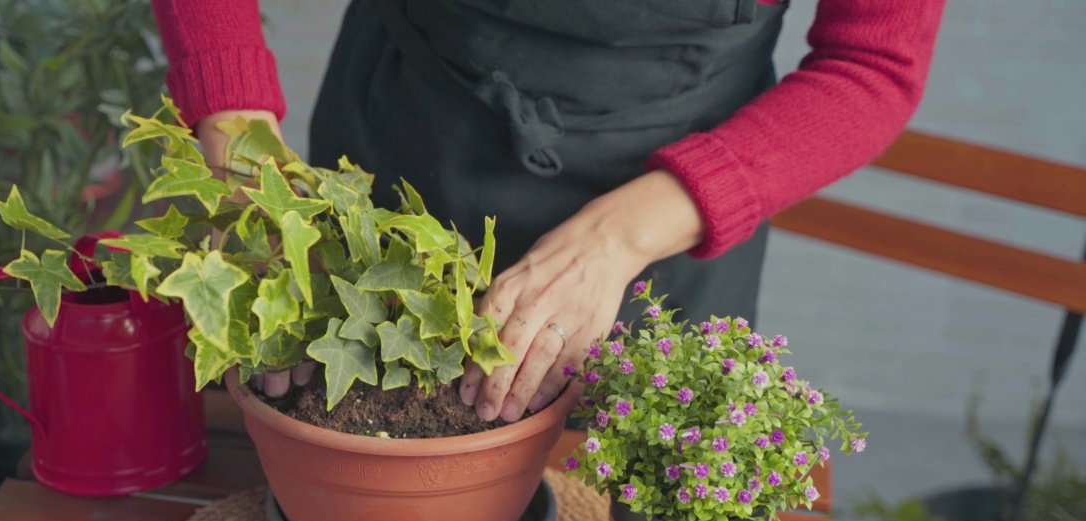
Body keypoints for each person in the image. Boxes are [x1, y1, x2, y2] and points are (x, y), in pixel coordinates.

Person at [150, 0, 946, 423]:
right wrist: (243, 164)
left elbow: (872, 62)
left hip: (665, 214)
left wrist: (617, 237)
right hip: (404, 133)